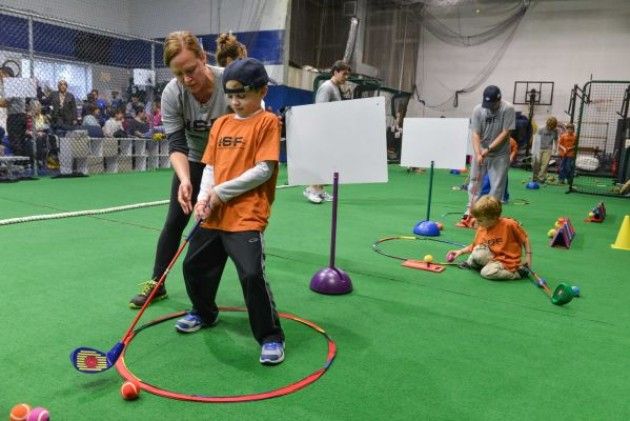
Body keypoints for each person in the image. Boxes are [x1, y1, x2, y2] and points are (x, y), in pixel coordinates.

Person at [176, 57, 285, 365]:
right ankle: (205, 312)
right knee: (193, 267)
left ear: (261, 91)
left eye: (243, 95)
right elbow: (210, 165)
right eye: (231, 95)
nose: (236, 102)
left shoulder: (267, 123)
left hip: (246, 214)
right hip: (213, 212)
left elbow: (264, 169)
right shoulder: (221, 123)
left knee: (252, 275)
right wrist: (202, 196)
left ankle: (270, 336)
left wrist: (219, 193)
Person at [128, 31, 230, 308]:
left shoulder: (230, 81)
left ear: (202, 58)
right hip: (195, 160)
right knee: (175, 220)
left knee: (229, 228)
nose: (187, 79)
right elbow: (176, 144)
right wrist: (185, 180)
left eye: (191, 69)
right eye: (178, 74)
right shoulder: (172, 93)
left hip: (231, 162)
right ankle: (155, 284)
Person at [457, 85, 515, 228]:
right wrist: (478, 153)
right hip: (481, 151)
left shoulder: (508, 109)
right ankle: (471, 213)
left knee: (496, 187)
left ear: (499, 100)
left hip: (500, 154)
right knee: (474, 183)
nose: (489, 107)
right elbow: (475, 133)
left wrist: (488, 149)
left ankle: (490, 217)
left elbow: (505, 133)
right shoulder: (478, 110)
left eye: (493, 103)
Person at [448, 195, 531, 280]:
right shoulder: (482, 228)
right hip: (492, 256)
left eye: (480, 220)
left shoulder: (509, 224)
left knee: (486, 273)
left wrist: (528, 257)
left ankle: (517, 274)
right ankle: (471, 263)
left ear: (493, 218)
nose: (477, 222)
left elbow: (525, 239)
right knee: (478, 251)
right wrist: (460, 251)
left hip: (507, 260)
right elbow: (474, 246)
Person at [303, 60, 352, 204]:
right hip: (322, 132)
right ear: (335, 72)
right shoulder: (327, 87)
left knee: (328, 163)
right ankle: (311, 189)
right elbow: (320, 110)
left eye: (347, 74)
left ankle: (319, 190)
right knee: (320, 161)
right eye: (344, 74)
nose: (346, 77)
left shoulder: (336, 88)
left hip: (331, 132)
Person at [480, 133, 518, 203]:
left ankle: (504, 197)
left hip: (503, 161)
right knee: (488, 178)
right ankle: (484, 196)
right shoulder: (492, 140)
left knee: (503, 178)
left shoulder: (512, 141)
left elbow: (514, 150)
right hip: (492, 161)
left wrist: (511, 158)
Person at [0, 66, 29, 157]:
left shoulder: (11, 85)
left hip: (15, 116)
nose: (0, 78)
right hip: (20, 116)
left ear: (6, 74)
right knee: (20, 140)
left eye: (1, 75)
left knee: (15, 140)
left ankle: (18, 163)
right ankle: (22, 163)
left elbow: (5, 103)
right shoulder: (15, 84)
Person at [532, 116, 558, 183]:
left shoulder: (555, 131)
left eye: (552, 126)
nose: (550, 127)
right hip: (539, 148)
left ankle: (541, 178)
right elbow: (536, 140)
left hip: (548, 149)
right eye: (549, 125)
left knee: (545, 164)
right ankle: (535, 177)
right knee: (536, 163)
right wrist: (534, 150)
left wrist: (556, 148)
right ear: (547, 124)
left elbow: (556, 139)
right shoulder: (541, 129)